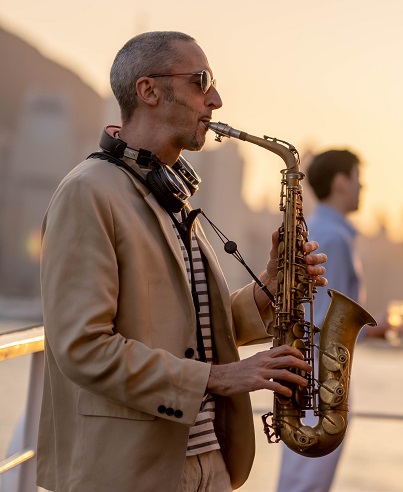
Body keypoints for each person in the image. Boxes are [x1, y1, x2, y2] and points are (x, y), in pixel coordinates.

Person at [37, 31, 327, 492]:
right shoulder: (88, 192)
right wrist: (222, 377)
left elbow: (190, 331)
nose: (216, 99)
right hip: (129, 470)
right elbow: (83, 347)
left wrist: (272, 288)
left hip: (208, 462)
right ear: (148, 91)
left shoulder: (167, 195)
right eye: (200, 81)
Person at [276, 149, 383, 492]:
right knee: (308, 482)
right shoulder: (333, 237)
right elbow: (323, 316)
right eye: (357, 178)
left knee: (299, 479)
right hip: (320, 381)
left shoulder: (320, 228)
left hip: (309, 376)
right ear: (340, 182)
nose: (362, 187)